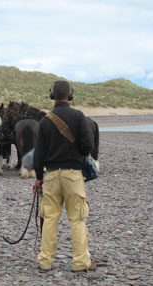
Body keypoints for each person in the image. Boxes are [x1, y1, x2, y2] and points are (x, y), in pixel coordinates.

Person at [33, 80, 95, 272]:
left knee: (50, 218)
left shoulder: (45, 121)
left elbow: (38, 153)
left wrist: (38, 177)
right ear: (70, 96)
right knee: (77, 219)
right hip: (73, 175)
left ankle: (45, 261)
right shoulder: (78, 116)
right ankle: (80, 262)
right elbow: (88, 145)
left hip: (51, 175)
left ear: (53, 96)